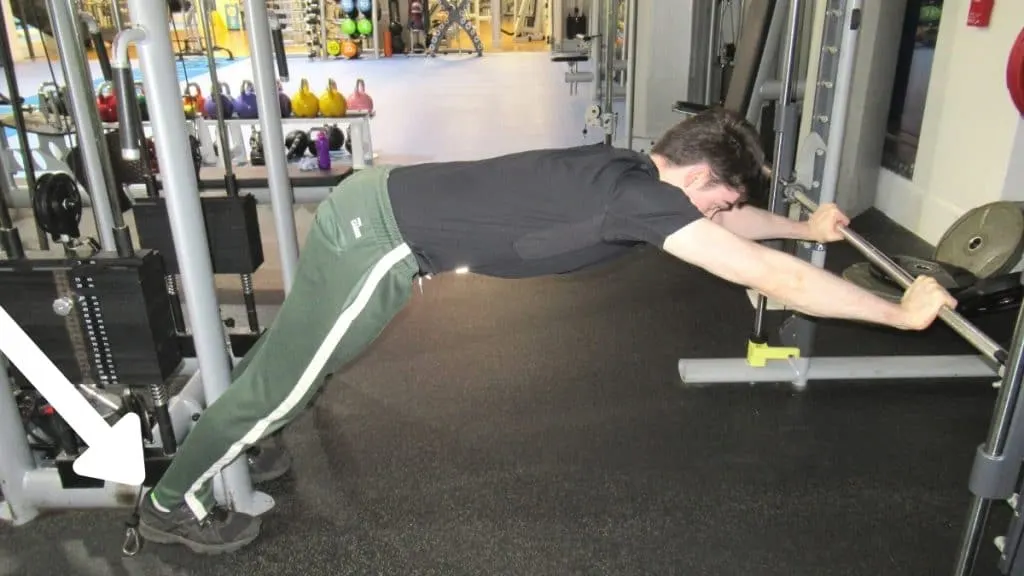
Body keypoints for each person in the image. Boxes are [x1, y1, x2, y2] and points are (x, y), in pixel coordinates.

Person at [138, 107, 956, 553]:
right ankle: (169, 500)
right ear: (702, 177)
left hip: (384, 215)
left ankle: (251, 437)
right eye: (724, 199)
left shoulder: (635, 172)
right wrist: (898, 313)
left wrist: (809, 233)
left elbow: (740, 237)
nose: (722, 216)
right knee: (275, 387)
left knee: (303, 369)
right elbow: (770, 280)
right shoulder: (638, 198)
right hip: (377, 240)